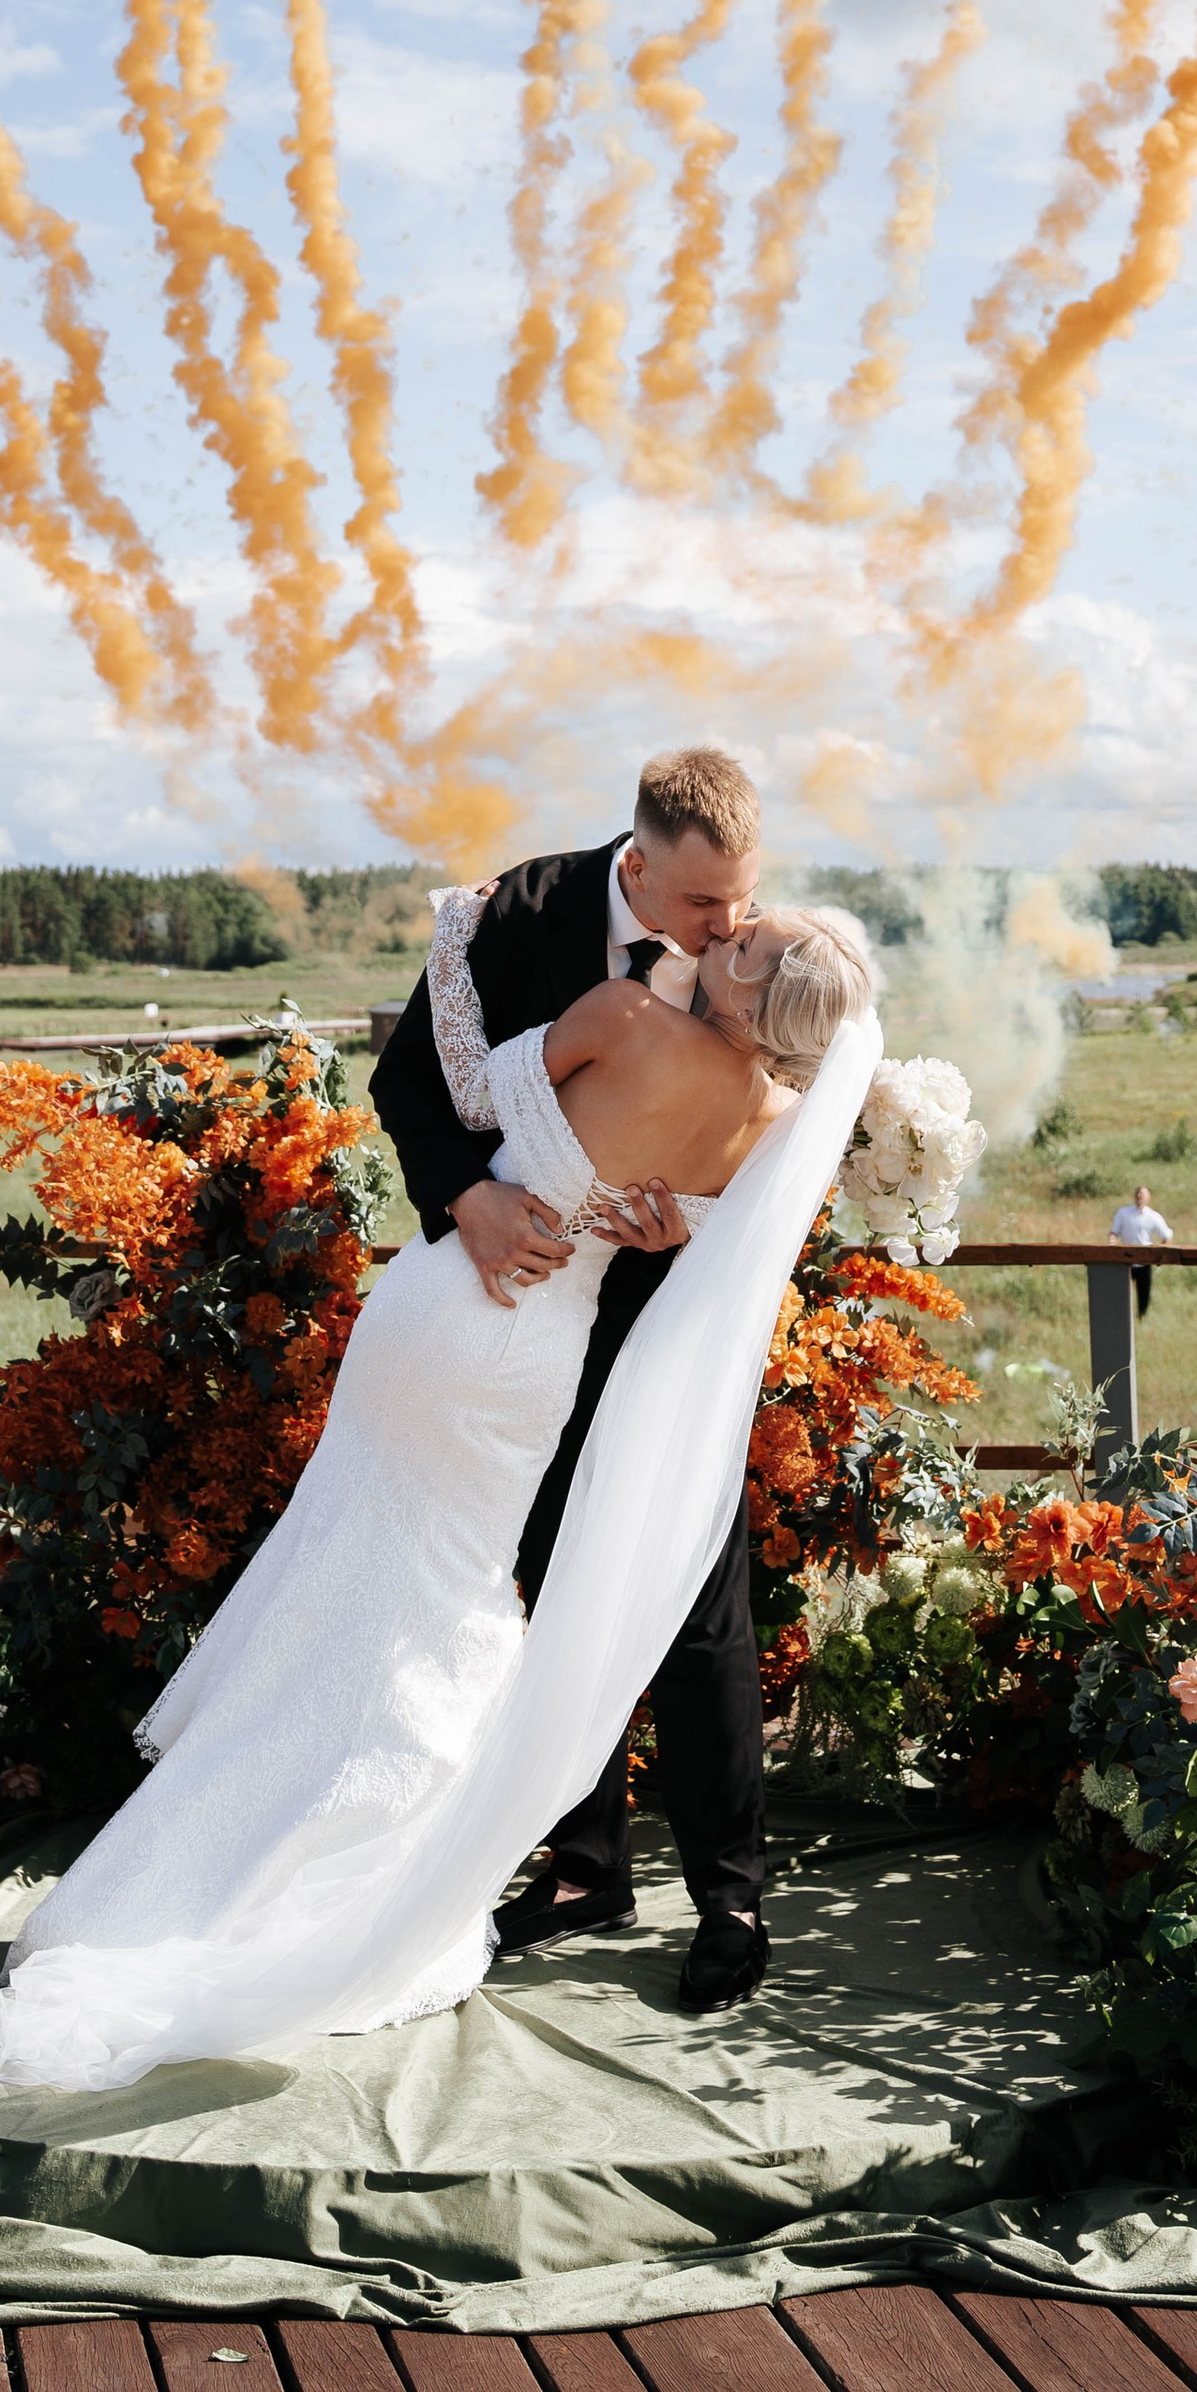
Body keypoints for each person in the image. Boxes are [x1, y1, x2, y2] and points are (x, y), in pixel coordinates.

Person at [0, 867, 881, 2096]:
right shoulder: (771, 1124)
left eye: (741, 938)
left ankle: (223, 1861)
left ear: (748, 987)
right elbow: (682, 1220)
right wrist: (658, 1208)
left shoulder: (624, 1017)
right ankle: (354, 1866)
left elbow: (471, 1084)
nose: (721, 931)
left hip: (449, 1304)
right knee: (439, 1597)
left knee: (353, 1570)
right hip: (539, 1356)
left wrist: (455, 931)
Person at [370, 746, 780, 2013]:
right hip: (524, 1310)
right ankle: (586, 1862)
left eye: (742, 896)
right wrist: (468, 1199)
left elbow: (777, 1148)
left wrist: (690, 1227)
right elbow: (409, 1080)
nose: (729, 925)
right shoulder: (517, 914)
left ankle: (732, 1894)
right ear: (638, 866)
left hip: (674, 1316)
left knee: (697, 1592)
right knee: (547, 1572)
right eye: (703, 902)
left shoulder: (760, 956)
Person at [1109, 1176, 1174, 1319]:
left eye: (1143, 1195)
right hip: (1125, 1259)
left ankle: (1142, 1317)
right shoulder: (1124, 1213)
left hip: (1144, 1260)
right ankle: (1122, 1317)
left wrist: (1159, 1256)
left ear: (1148, 1198)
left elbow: (1167, 1235)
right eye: (1138, 1194)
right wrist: (1112, 1246)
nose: (1140, 1197)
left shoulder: (1153, 1216)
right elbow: (1114, 1232)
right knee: (1122, 1292)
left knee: (1144, 1292)